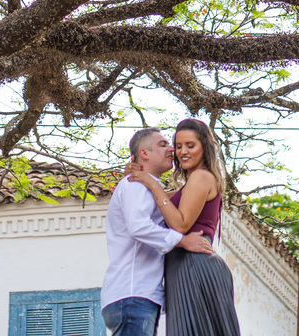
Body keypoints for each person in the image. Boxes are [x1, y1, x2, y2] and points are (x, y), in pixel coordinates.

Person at [126, 118, 241, 336]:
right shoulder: (189, 186)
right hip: (184, 265)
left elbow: (180, 224)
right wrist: (135, 177)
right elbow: (155, 205)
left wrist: (151, 184)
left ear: (204, 147)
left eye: (190, 145)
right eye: (178, 146)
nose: (183, 152)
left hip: (194, 265)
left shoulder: (201, 177)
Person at [102, 128, 215, 336]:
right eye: (163, 145)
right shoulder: (135, 184)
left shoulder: (145, 186)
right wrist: (182, 240)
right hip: (132, 294)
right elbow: (138, 226)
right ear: (144, 153)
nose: (172, 149)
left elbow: (176, 198)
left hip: (138, 296)